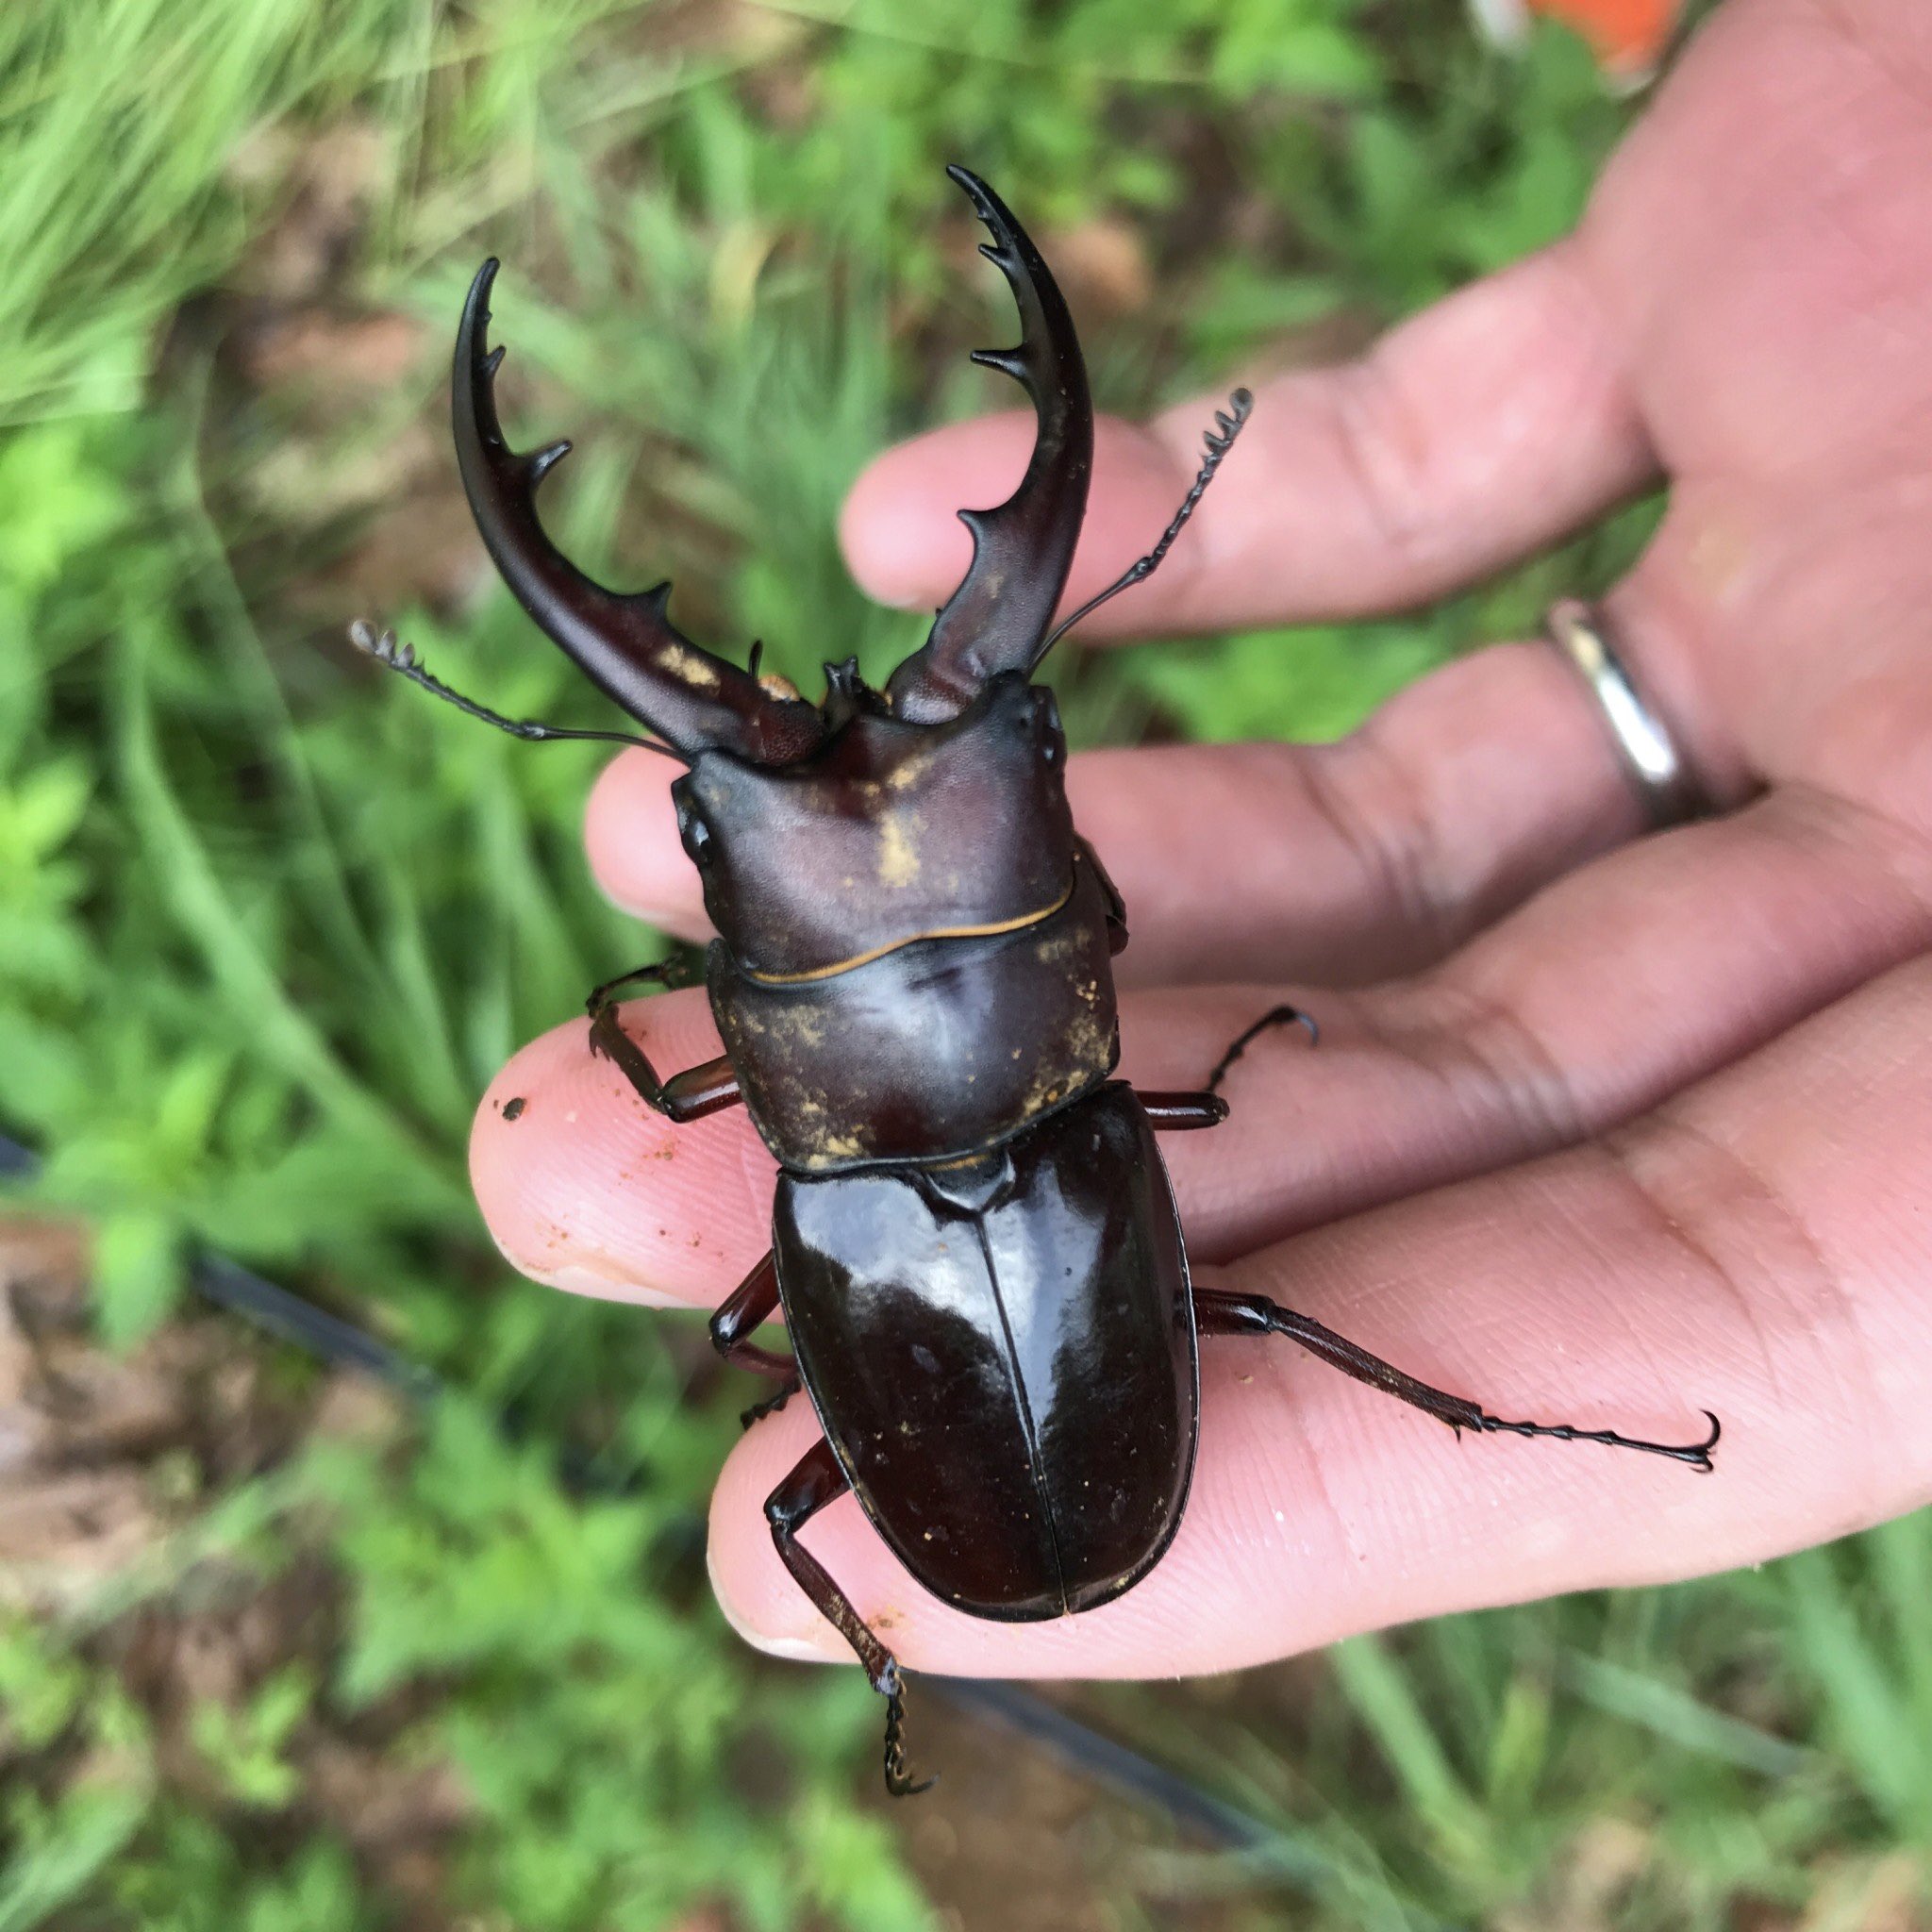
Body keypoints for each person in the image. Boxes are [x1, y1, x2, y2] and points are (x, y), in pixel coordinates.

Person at [469, 0, 1932, 1683]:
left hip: (968, 1390)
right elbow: (1191, 1108)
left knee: (806, 1508)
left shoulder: (826, 1217)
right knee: (1262, 1307)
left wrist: (611, 1027)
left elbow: (724, 1263)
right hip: (1023, 1443)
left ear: (752, 1021)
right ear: (1069, 964)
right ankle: (1470, 1431)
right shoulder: (1074, 1125)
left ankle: (889, 1674)